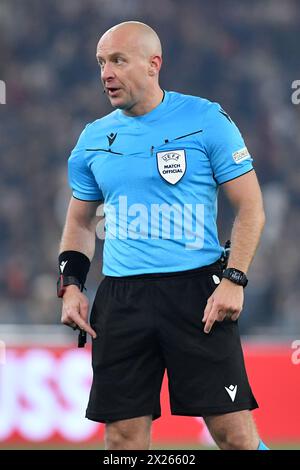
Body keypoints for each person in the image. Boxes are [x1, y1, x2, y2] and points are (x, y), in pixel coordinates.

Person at [58, 21, 268, 450]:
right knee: (122, 442)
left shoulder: (205, 118)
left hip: (197, 295)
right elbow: (80, 222)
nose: (106, 73)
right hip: (122, 300)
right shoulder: (93, 139)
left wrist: (235, 279)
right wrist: (71, 286)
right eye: (101, 63)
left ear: (154, 65)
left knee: (234, 437)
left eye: (118, 60)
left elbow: (251, 208)